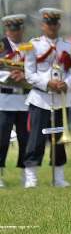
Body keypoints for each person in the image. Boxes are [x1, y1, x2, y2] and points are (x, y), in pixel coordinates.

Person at [22, 8, 71, 188]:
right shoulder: (34, 45)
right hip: (41, 99)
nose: (52, 27)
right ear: (42, 25)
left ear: (59, 25)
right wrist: (48, 83)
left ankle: (59, 177)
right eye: (48, 23)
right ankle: (32, 178)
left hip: (61, 99)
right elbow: (29, 74)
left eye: (55, 23)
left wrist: (66, 84)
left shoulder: (68, 46)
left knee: (60, 139)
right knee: (36, 139)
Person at [1, 14, 30, 187]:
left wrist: (24, 75)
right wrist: (8, 76)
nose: (16, 32)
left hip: (24, 99)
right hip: (4, 99)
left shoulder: (29, 48)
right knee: (2, 139)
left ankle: (25, 174)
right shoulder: (1, 46)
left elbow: (37, 69)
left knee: (25, 139)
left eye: (18, 28)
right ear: (7, 30)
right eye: (12, 29)